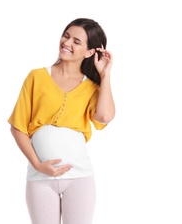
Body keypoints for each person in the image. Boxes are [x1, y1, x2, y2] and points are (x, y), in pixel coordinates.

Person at [8, 18, 115, 224]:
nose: (67, 43)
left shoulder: (92, 87)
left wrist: (105, 75)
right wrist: (38, 165)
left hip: (79, 178)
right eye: (66, 36)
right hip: (40, 179)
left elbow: (104, 117)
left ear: (90, 52)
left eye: (76, 41)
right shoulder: (36, 77)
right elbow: (17, 127)